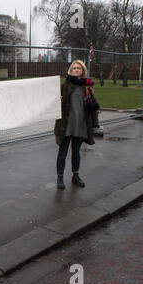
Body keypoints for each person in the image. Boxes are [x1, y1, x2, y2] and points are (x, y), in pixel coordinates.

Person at [54, 59, 99, 190]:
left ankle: (75, 176)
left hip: (81, 124)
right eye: (74, 68)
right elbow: (54, 103)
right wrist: (59, 100)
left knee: (76, 153)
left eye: (79, 68)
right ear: (70, 70)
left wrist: (95, 124)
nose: (76, 70)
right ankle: (60, 177)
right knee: (62, 153)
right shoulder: (65, 85)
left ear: (83, 70)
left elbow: (93, 107)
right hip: (66, 124)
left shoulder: (88, 86)